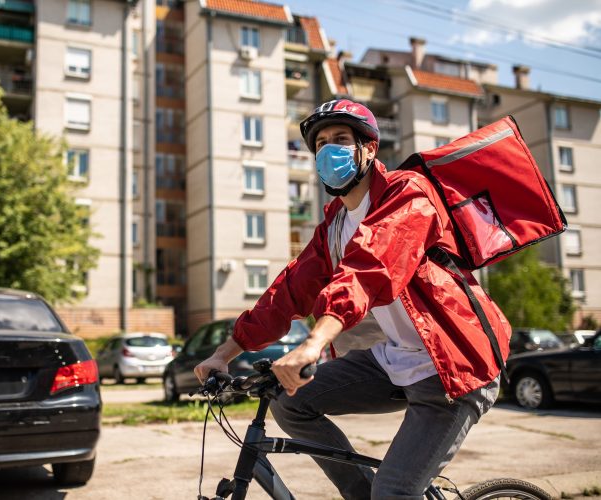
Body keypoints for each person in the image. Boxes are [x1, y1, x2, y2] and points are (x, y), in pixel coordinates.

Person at [195, 99, 511, 500]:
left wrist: (313, 344)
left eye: (340, 139)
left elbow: (370, 267)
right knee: (290, 402)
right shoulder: (335, 224)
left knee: (394, 492)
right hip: (396, 359)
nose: (329, 150)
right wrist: (224, 353)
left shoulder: (408, 193)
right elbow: (288, 290)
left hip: (454, 365)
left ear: (369, 148)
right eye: (321, 143)